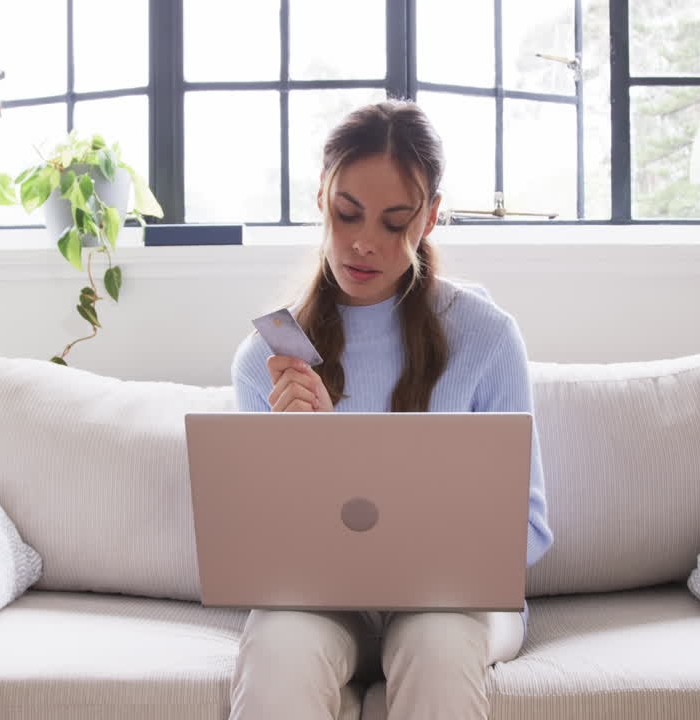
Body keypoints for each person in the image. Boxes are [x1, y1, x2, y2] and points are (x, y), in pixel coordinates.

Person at [228, 99, 553, 720]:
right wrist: (305, 453)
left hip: (453, 601)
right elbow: (261, 549)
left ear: (429, 218)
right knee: (278, 649)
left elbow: (529, 530)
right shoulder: (268, 359)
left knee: (438, 647)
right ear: (320, 197)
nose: (363, 243)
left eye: (394, 222)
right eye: (347, 213)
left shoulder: (485, 336)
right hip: (324, 600)